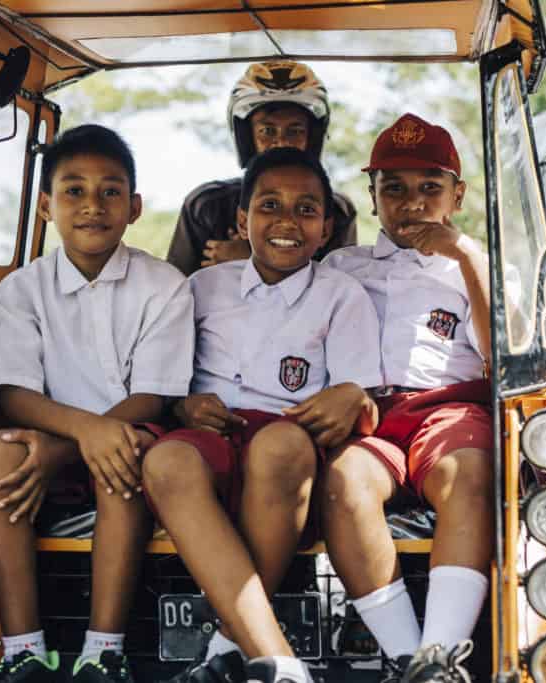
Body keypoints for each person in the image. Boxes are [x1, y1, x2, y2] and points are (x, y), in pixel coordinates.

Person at [142, 148, 383, 683]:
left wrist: (346, 398)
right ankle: (279, 663)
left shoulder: (341, 295)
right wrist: (184, 405)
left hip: (287, 440)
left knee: (282, 446)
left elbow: (355, 392)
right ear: (241, 219)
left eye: (306, 209)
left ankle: (233, 649)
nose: (286, 222)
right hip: (209, 434)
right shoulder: (201, 289)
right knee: (165, 462)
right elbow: (164, 385)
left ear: (325, 229)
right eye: (269, 205)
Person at [0, 124, 195, 683]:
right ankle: (23, 651)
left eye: (110, 191)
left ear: (135, 206)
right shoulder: (21, 290)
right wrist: (75, 436)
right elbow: (15, 392)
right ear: (46, 205)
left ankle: (104, 651)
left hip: (133, 435)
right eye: (74, 191)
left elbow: (154, 395)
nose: (92, 206)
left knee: (118, 456)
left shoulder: (165, 285)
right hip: (49, 438)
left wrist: (76, 445)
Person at [322, 113, 501, 683]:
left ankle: (442, 654)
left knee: (468, 472)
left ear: (458, 195)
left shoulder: (482, 267)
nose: (412, 203)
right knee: (345, 481)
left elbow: (505, 358)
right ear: (372, 198)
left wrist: (467, 258)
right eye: (392, 188)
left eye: (430, 188)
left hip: (448, 410)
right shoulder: (340, 267)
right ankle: (410, 661)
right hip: (369, 417)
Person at [165, 60, 357, 275]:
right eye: (267, 131)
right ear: (247, 138)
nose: (281, 143)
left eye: (294, 131)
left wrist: (252, 260)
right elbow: (177, 289)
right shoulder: (207, 206)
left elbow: (338, 287)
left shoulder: (338, 210)